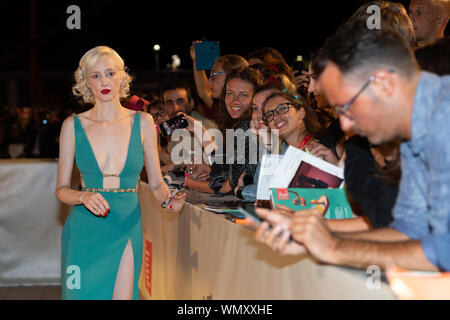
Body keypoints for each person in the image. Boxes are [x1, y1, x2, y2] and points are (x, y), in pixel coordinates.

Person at [254, 23, 450, 272]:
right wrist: (315, 240)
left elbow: (444, 250)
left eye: (347, 106)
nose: (345, 123)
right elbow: (409, 230)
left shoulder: (443, 118)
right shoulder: (412, 136)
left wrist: (334, 248)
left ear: (384, 83)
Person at [55, 46, 186, 300]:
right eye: (95, 76)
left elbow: (157, 184)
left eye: (110, 73)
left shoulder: (144, 122)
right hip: (84, 229)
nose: (104, 81)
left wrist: (171, 202)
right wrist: (82, 197)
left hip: (127, 223)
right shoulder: (72, 126)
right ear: (85, 82)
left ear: (121, 77)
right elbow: (61, 190)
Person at [186, 67, 263, 194]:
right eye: (230, 93)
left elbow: (224, 187)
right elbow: (224, 170)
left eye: (243, 95)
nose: (235, 101)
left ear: (256, 99)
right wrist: (200, 131)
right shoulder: (241, 125)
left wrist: (188, 182)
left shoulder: (245, 127)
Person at [190, 44, 248, 120]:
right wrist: (197, 59)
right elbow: (203, 92)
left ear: (232, 75)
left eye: (214, 75)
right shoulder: (221, 108)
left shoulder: (250, 110)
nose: (208, 82)